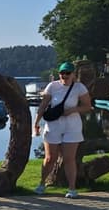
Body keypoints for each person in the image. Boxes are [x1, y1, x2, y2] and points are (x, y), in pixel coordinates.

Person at [33, 61, 92, 199]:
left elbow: (87, 106)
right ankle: (42, 184)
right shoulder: (52, 86)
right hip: (53, 125)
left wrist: (73, 110)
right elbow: (43, 105)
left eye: (67, 73)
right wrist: (36, 123)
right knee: (49, 158)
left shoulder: (79, 87)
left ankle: (72, 188)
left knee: (69, 159)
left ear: (73, 74)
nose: (64, 76)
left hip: (72, 127)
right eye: (62, 73)